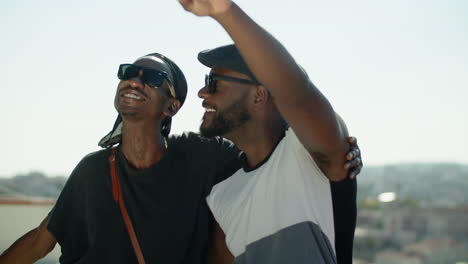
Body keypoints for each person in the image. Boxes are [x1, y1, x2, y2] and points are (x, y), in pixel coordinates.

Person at [0, 50, 361, 263]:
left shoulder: (205, 160)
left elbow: (267, 146)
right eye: (129, 73)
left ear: (172, 106)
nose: (135, 81)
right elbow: (39, 241)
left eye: (151, 77)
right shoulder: (92, 169)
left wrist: (334, 150)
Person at [178, 0, 360, 263]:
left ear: (259, 95)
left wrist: (226, 13)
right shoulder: (222, 192)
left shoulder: (304, 153)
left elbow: (298, 94)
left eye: (214, 83)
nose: (202, 93)